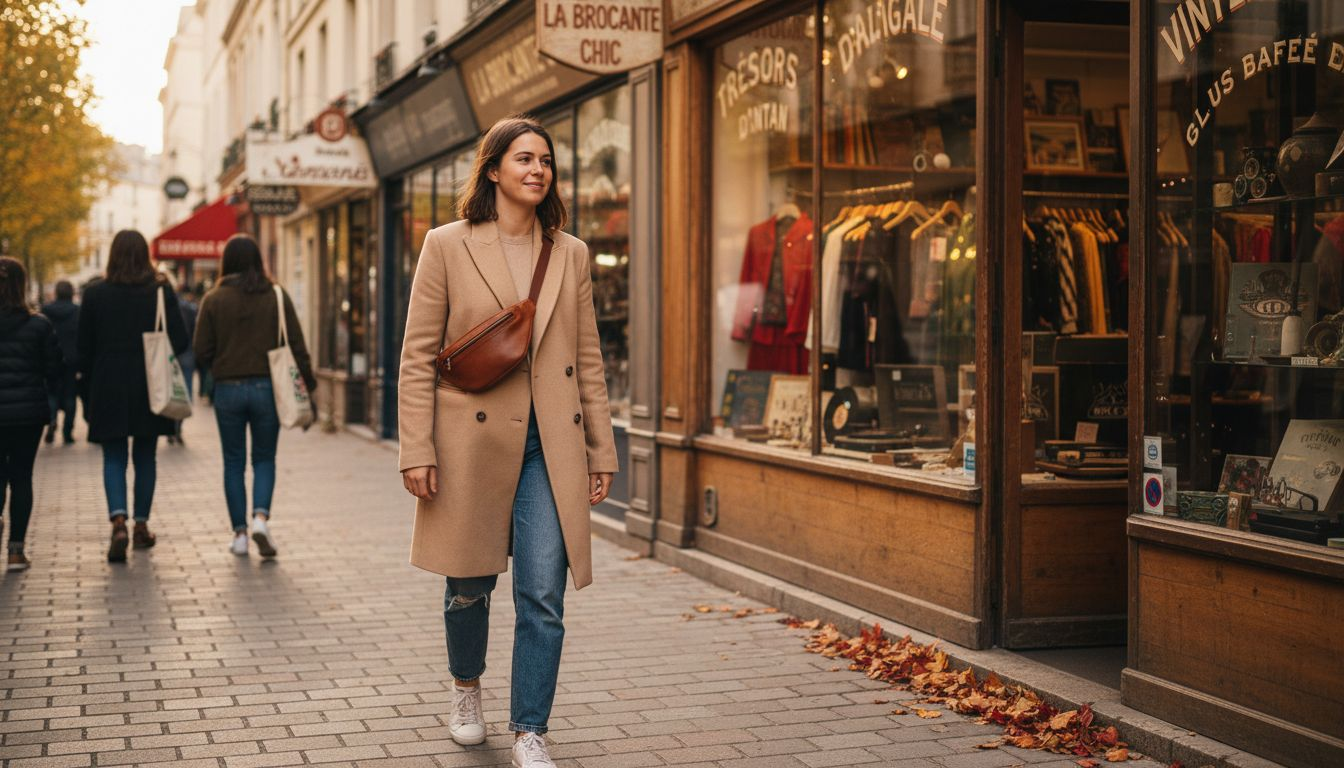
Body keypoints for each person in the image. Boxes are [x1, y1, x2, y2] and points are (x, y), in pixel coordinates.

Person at [397, 115, 618, 767]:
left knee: (542, 593)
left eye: (546, 161)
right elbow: (417, 357)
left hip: (549, 447)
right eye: (524, 158)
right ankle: (466, 690)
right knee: (468, 585)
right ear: (493, 168)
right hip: (469, 443)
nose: (537, 170)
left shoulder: (570, 253)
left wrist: (601, 451)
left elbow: (590, 359)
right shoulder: (447, 244)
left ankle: (530, 730)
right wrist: (417, 448)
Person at [194, 234, 315, 559]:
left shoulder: (213, 299)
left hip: (228, 390)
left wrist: (219, 366)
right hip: (267, 389)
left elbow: (200, 350)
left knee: (233, 463)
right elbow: (298, 346)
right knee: (263, 459)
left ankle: (240, 536)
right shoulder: (276, 295)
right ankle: (260, 518)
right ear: (257, 262)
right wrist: (310, 388)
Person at [79, 230, 190, 563]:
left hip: (109, 382)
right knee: (145, 456)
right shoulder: (159, 291)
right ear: (145, 255)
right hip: (150, 384)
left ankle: (118, 522)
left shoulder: (95, 294)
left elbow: (83, 349)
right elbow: (181, 341)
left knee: (113, 456)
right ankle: (141, 524)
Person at [0, 258, 61, 571]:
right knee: (21, 478)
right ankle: (15, 550)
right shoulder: (39, 325)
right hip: (27, 413)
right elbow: (52, 370)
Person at [40, 281, 80, 445]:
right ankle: (67, 432)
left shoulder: (45, 311)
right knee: (70, 396)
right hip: (71, 359)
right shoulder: (77, 311)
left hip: (50, 358)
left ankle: (51, 420)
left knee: (51, 393)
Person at [169, 286, 199, 446]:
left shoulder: (165, 308)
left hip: (169, 354)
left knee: (170, 390)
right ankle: (178, 426)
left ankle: (171, 426)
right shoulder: (189, 309)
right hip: (187, 352)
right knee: (185, 390)